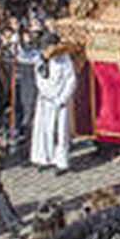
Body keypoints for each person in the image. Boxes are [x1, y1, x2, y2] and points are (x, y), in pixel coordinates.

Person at [29, 33, 77, 174]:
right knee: (42, 130)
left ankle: (61, 162)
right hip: (45, 100)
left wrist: (62, 98)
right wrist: (44, 93)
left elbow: (71, 80)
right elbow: (39, 77)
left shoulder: (65, 60)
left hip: (59, 100)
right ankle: (42, 158)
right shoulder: (40, 59)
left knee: (59, 132)